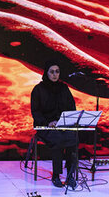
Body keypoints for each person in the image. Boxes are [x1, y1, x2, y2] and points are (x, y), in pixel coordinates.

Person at [31, 59, 78, 188]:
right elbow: (35, 111)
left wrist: (65, 121)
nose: (54, 75)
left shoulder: (64, 88)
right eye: (51, 72)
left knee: (72, 138)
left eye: (57, 72)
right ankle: (56, 175)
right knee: (58, 139)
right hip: (45, 126)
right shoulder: (38, 89)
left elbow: (71, 107)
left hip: (63, 125)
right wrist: (48, 122)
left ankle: (70, 175)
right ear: (46, 73)